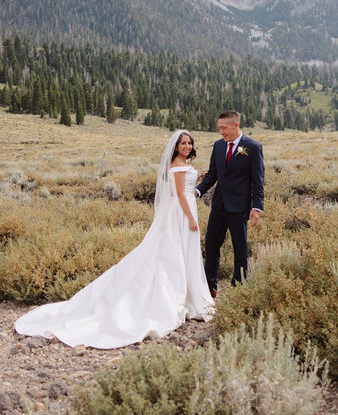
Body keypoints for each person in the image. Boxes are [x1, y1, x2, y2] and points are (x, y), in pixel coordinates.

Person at [14, 130, 213, 349]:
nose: (186, 146)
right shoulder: (176, 165)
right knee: (176, 252)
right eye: (183, 143)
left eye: (189, 143)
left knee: (184, 251)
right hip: (181, 213)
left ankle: (189, 295)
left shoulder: (182, 164)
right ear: (175, 146)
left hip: (181, 210)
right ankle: (181, 298)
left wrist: (198, 177)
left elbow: (185, 184)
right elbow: (180, 194)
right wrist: (190, 218)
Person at [194, 110, 264, 296]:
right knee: (210, 244)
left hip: (239, 207)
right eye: (219, 128)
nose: (221, 132)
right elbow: (213, 174)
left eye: (224, 128)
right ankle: (210, 286)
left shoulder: (252, 147)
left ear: (235, 125)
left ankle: (238, 286)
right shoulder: (218, 146)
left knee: (239, 248)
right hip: (218, 206)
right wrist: (198, 190)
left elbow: (258, 180)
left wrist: (256, 207)